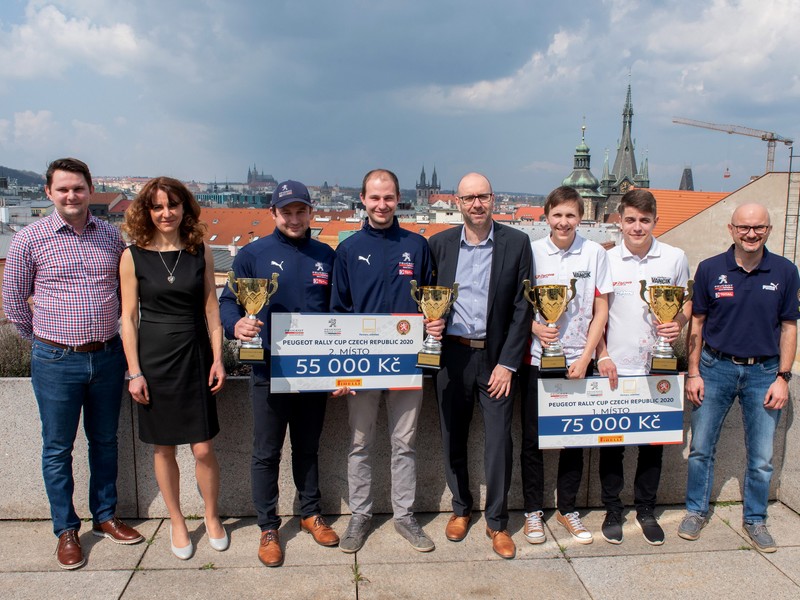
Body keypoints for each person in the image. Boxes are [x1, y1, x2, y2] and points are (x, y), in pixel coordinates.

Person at [2, 157, 143, 570]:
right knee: (57, 448)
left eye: (78, 188)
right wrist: (45, 344)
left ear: (89, 190)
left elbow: (125, 293)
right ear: (48, 193)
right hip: (56, 358)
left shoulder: (112, 237)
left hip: (108, 356)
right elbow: (13, 303)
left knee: (105, 441)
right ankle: (65, 529)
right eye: (62, 189)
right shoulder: (30, 238)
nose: (71, 195)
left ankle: (105, 516)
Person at [219, 180, 342, 568]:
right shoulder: (253, 255)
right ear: (273, 213)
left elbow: (339, 313)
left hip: (313, 370)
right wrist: (235, 326)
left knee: (308, 447)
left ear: (311, 213)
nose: (293, 218)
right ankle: (268, 526)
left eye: (300, 211)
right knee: (266, 452)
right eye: (285, 211)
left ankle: (310, 513)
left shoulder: (326, 255)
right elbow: (228, 302)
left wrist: (341, 367)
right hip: (267, 368)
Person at [678, 203, 799, 553]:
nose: (751, 234)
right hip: (715, 369)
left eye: (758, 228)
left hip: (764, 372)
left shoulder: (786, 271)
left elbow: (789, 328)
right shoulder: (711, 269)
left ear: (769, 230)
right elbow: (696, 325)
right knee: (701, 448)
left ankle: (755, 519)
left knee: (761, 457)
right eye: (744, 227)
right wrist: (694, 372)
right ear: (731, 229)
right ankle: (695, 512)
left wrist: (783, 377)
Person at [120, 177, 227, 560]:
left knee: (202, 448)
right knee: (163, 448)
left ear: (185, 208)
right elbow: (128, 318)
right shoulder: (133, 255)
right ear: (147, 212)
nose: (166, 213)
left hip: (195, 355)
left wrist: (218, 358)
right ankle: (178, 520)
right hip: (153, 360)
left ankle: (211, 516)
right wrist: (134, 371)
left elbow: (212, 311)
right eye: (157, 206)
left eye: (173, 205)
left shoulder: (202, 252)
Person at [427, 172, 532, 559]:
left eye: (483, 197)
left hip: (495, 358)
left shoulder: (517, 243)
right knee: (452, 433)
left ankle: (497, 522)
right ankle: (460, 507)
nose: (476, 204)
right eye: (469, 198)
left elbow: (524, 308)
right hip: (451, 355)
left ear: (493, 199)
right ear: (458, 202)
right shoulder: (438, 245)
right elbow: (425, 298)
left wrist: (508, 364)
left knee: (499, 441)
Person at [330, 168, 435, 554]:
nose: (381, 204)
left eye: (388, 197)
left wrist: (434, 323)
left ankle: (404, 516)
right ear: (363, 199)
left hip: (408, 362)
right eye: (374, 198)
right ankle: (360, 515)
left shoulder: (417, 245)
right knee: (360, 443)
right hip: (360, 363)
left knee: (404, 443)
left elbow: (430, 301)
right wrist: (339, 367)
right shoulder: (348, 248)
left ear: (398, 199)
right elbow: (337, 312)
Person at [594, 189, 690, 545]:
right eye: (631, 220)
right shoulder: (606, 258)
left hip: (658, 365)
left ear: (655, 222)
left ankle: (646, 509)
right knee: (612, 442)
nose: (637, 227)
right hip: (615, 367)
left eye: (644, 221)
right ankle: (612, 508)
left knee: (653, 443)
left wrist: (677, 323)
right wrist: (602, 355)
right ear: (619, 220)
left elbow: (685, 305)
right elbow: (596, 315)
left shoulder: (675, 257)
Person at [524, 185, 612, 545]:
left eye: (570, 215)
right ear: (546, 217)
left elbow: (601, 307)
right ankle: (532, 511)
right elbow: (519, 304)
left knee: (576, 437)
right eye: (557, 215)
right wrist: (534, 327)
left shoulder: (593, 253)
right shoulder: (530, 252)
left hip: (579, 358)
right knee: (534, 439)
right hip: (536, 357)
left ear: (580, 217)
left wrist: (589, 355)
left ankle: (567, 508)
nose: (564, 222)